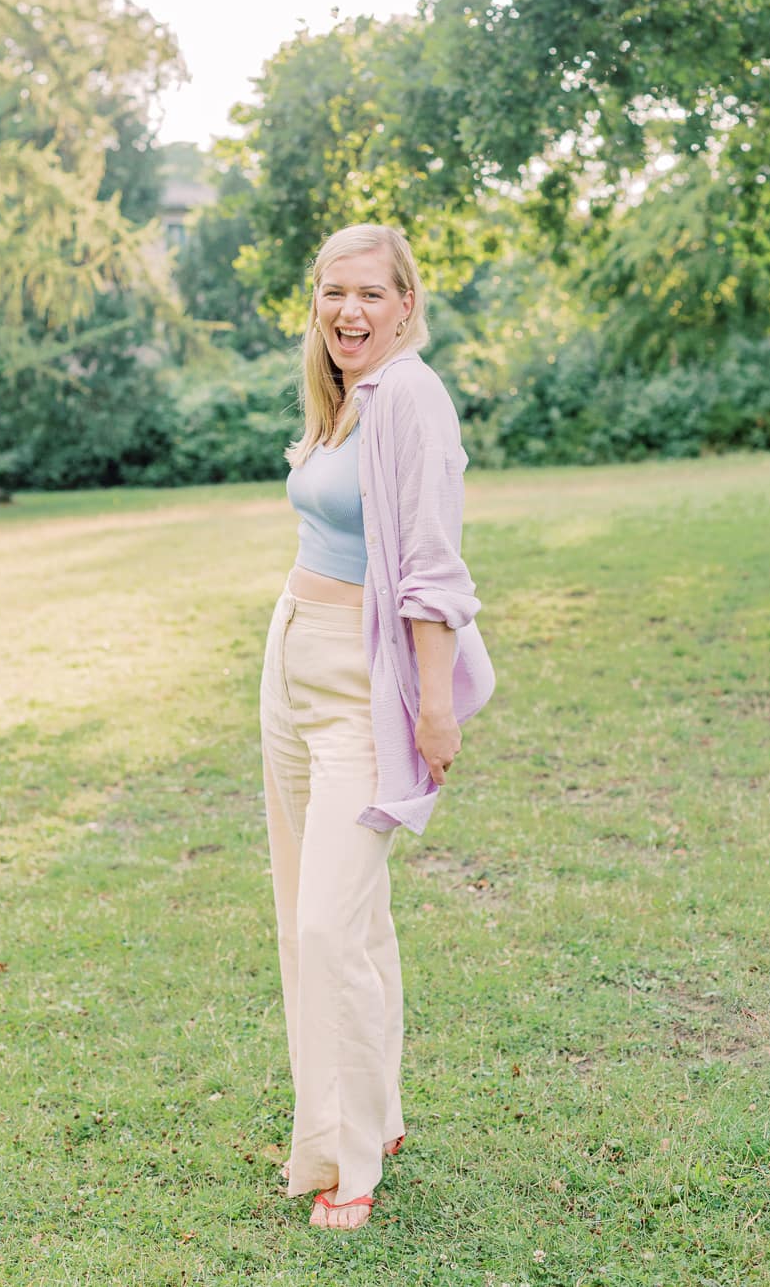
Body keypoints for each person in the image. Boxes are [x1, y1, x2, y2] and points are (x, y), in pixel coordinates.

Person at [258, 222, 495, 1232]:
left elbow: (432, 570)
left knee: (329, 926)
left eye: (369, 293)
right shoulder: (342, 396)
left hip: (365, 686)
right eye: (331, 293)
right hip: (292, 660)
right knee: (326, 912)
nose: (348, 311)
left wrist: (432, 708)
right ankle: (378, 1113)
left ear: (406, 302)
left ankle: (349, 1161)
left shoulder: (413, 398)